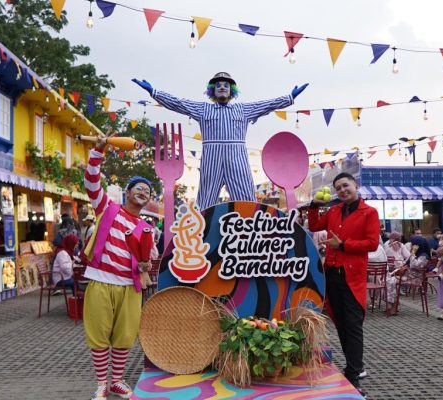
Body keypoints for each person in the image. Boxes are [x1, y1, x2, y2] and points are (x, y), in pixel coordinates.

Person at [133, 73, 308, 209]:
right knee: (205, 201)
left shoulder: (243, 109)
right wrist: (153, 92)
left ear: (232, 90)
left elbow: (268, 104)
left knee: (246, 199)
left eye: (226, 85)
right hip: (211, 159)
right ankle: (202, 234)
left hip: (237, 159)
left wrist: (289, 98)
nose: (222, 87)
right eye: (218, 85)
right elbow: (178, 103)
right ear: (212, 90)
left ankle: (250, 235)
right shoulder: (203, 109)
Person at [81, 132, 155, 400]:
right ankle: (102, 383)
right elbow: (91, 181)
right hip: (101, 280)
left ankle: (117, 381)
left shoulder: (147, 227)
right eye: (139, 188)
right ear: (127, 192)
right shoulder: (107, 209)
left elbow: (148, 260)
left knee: (125, 336)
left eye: (147, 191)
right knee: (98, 335)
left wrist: (146, 264)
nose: (143, 192)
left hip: (129, 286)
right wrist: (98, 151)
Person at [307, 172, 380, 394]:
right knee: (339, 322)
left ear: (355, 185)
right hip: (332, 275)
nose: (342, 190)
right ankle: (354, 366)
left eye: (345, 185)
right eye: (338, 188)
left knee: (353, 325)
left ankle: (353, 375)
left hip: (352, 277)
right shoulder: (333, 210)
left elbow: (372, 243)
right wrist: (314, 205)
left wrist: (343, 245)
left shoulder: (369, 212)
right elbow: (314, 225)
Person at [385, 236, 430, 316]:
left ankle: (393, 305)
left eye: (413, 244)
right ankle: (392, 303)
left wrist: (412, 253)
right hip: (408, 276)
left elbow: (414, 265)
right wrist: (402, 265)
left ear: (418, 245)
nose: (411, 246)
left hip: (415, 278)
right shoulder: (417, 254)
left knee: (391, 281)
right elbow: (406, 262)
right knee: (387, 280)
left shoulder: (424, 256)